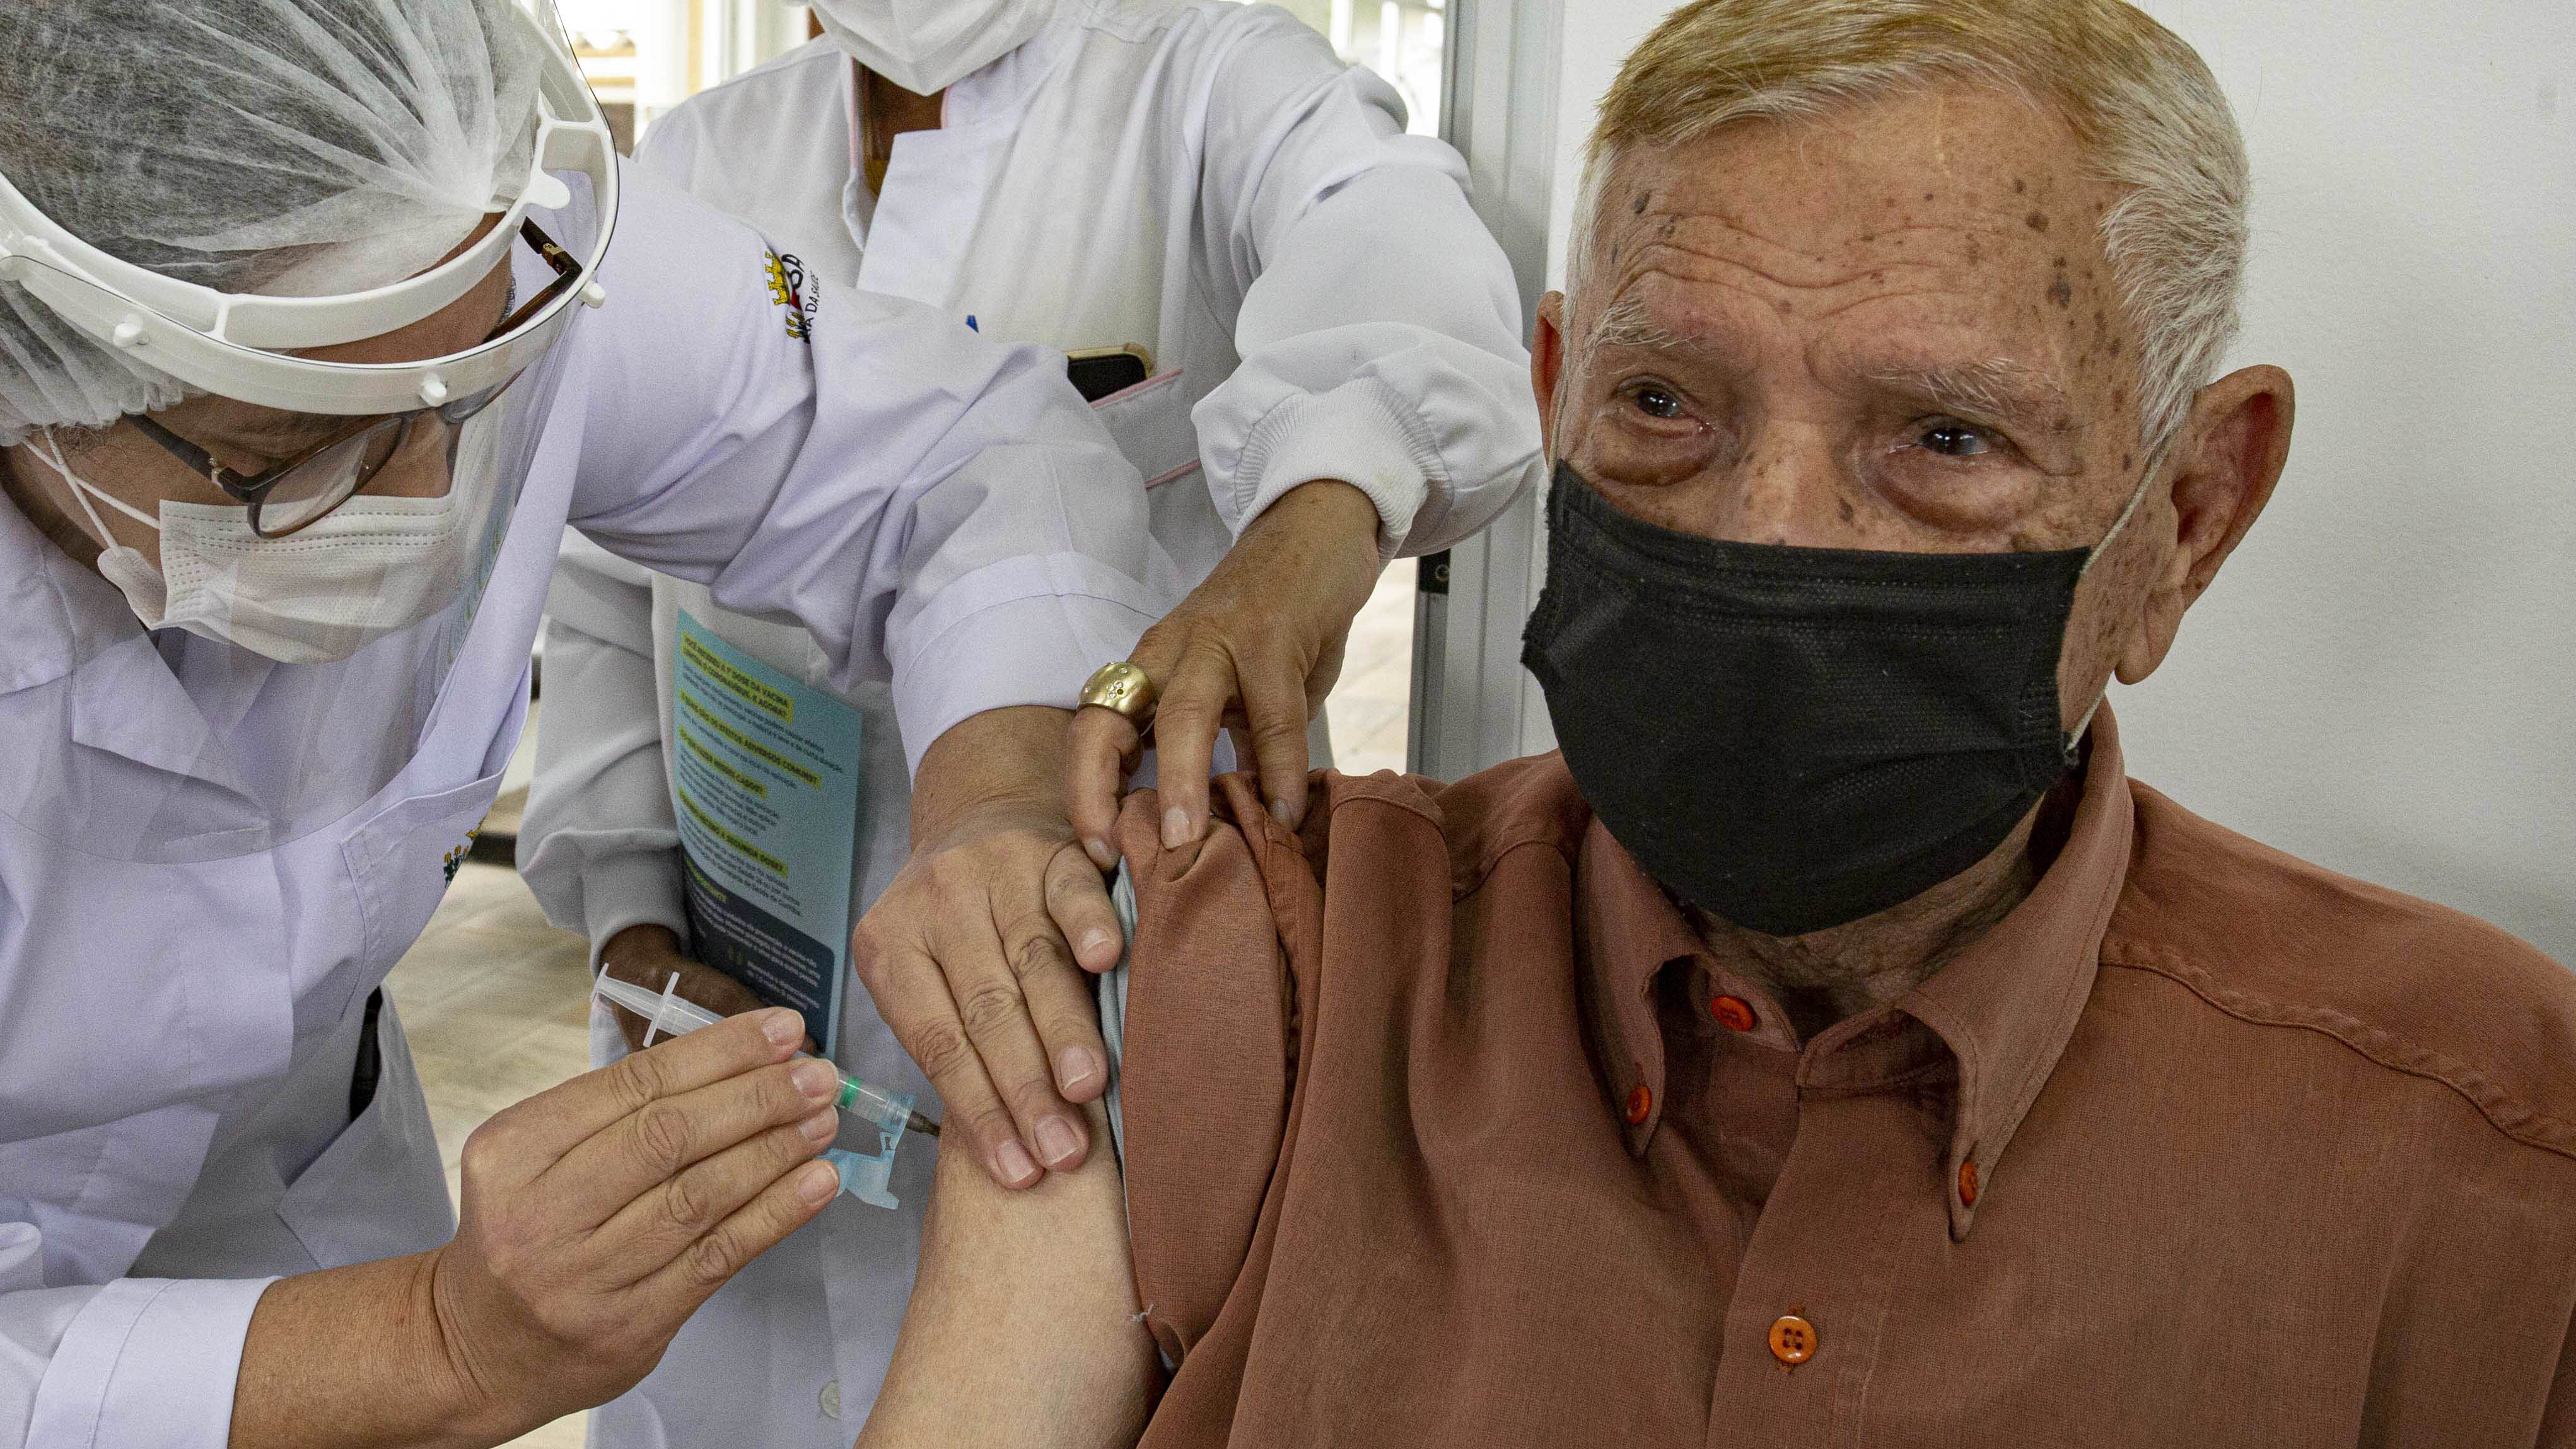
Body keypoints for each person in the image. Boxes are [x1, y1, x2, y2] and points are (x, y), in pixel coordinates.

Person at [853, 1, 2576, 1444]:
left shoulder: (2488, 1155)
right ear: (1550, 397)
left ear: (2187, 514)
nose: (1765, 535)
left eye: (1943, 442)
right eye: (1664, 403)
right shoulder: (1241, 976)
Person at [0, 0, 1180, 1443]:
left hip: (299, 1166)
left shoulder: (462, 225)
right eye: (285, 459)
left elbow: (963, 451)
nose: (434, 500)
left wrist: (995, 793)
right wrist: (436, 1343)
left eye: (477, 395)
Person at [515, 0, 1537, 1436]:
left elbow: (1398, 256)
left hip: (1096, 989)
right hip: (748, 1000)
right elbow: (601, 579)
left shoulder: (1207, 83)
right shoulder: (706, 155)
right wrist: (636, 936)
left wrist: (1311, 526)